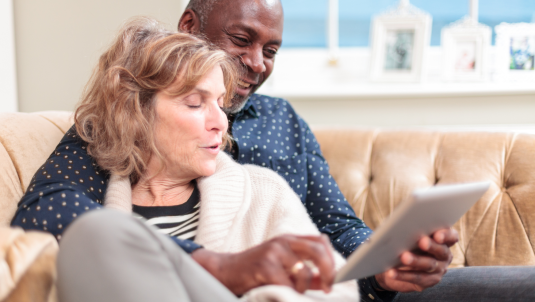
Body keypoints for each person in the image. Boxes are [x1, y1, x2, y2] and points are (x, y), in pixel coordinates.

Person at [11, 1, 535, 301]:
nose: (258, 63)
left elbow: (340, 228)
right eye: (242, 40)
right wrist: (221, 264)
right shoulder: (116, 130)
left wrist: (387, 262)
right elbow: (49, 210)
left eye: (272, 51)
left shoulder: (283, 125)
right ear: (191, 27)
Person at [51, 17, 359, 301]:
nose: (221, 123)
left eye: (221, 104)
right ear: (136, 113)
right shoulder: (92, 197)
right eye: (196, 103)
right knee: (92, 233)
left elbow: (340, 290)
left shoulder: (266, 193)